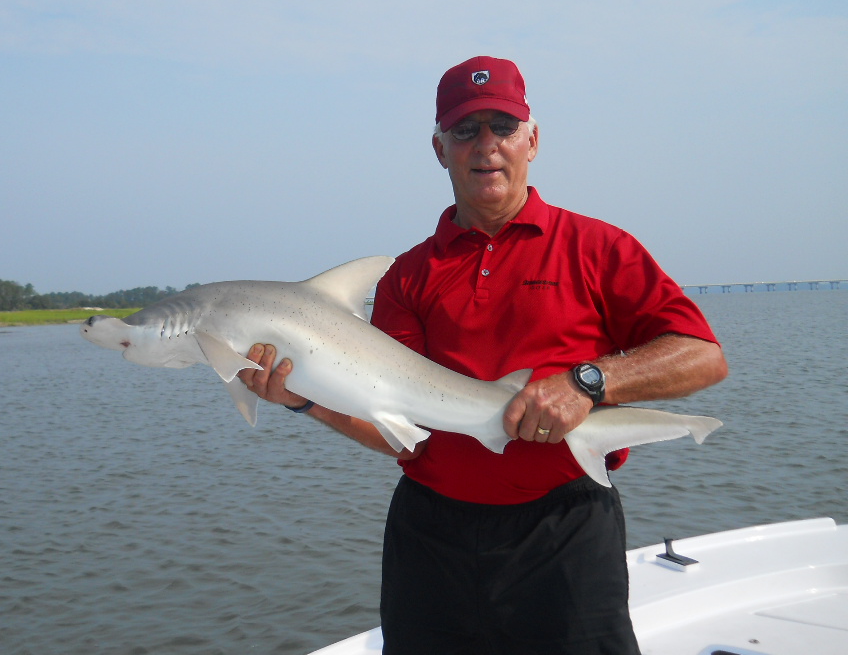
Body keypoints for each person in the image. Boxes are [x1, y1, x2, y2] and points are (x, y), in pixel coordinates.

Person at [239, 56, 728, 654]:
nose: (487, 145)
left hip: (566, 533)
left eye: (503, 126)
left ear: (533, 140)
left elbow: (703, 356)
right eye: (466, 130)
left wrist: (589, 383)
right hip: (432, 538)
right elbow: (400, 430)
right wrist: (303, 401)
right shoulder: (408, 277)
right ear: (440, 149)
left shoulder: (597, 248)